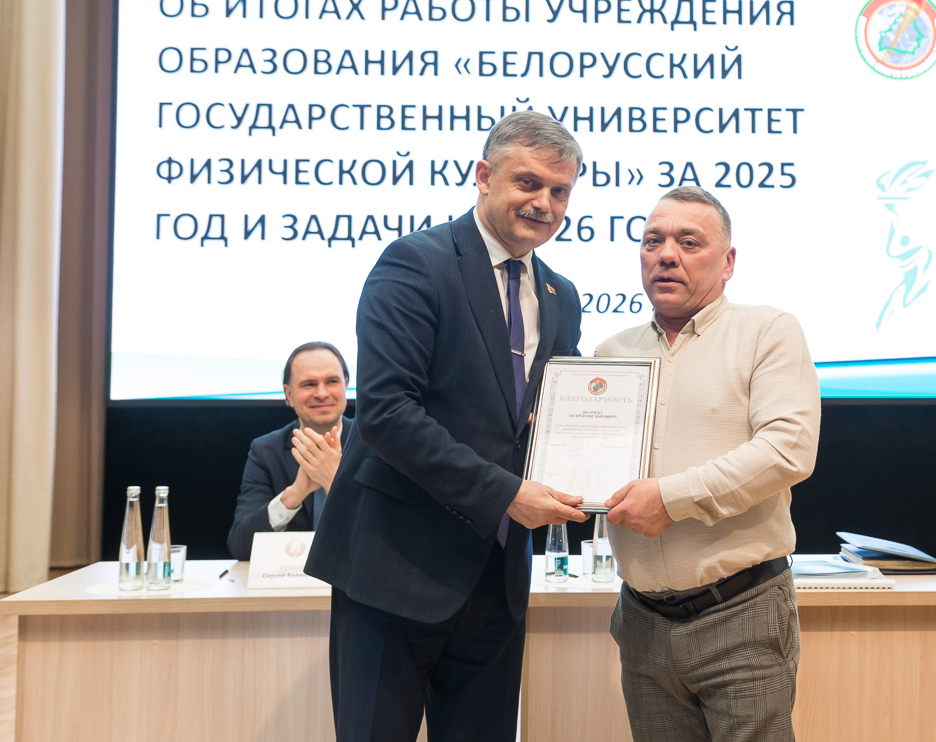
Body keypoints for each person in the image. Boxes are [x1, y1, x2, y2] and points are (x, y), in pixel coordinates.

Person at [305, 111, 589, 742]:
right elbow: (387, 413)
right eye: (528, 183)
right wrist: (508, 494)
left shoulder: (560, 295)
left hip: (497, 582)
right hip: (395, 570)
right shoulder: (415, 263)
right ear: (484, 176)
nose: (544, 203)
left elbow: (551, 418)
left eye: (560, 190)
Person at [599, 186, 821, 742]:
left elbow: (788, 448)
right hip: (642, 621)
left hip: (741, 613)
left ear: (728, 262)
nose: (666, 255)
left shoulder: (767, 330)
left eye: (689, 242)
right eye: (652, 241)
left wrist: (670, 499)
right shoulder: (610, 355)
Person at [227, 342, 353, 560]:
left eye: (332, 381)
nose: (322, 393)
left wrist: (333, 483)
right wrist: (294, 494)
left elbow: (392, 540)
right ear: (289, 394)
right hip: (292, 578)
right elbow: (240, 545)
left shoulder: (376, 445)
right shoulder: (266, 451)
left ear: (346, 385)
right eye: (309, 384)